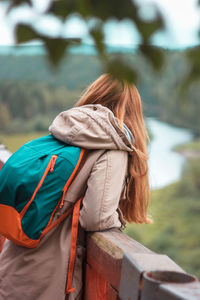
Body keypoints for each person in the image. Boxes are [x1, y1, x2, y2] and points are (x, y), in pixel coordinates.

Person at [0, 73, 151, 300]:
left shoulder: (65, 130)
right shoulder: (113, 147)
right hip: (46, 280)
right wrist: (118, 222)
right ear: (133, 113)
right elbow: (96, 218)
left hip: (14, 266)